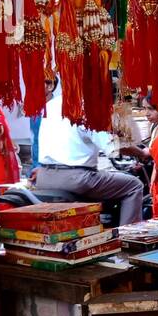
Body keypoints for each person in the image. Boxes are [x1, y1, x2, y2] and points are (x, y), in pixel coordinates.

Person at [34, 77, 146, 225]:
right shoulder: (88, 107)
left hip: (44, 177)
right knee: (133, 185)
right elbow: (114, 147)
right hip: (75, 179)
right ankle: (128, 239)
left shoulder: (52, 104)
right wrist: (142, 153)